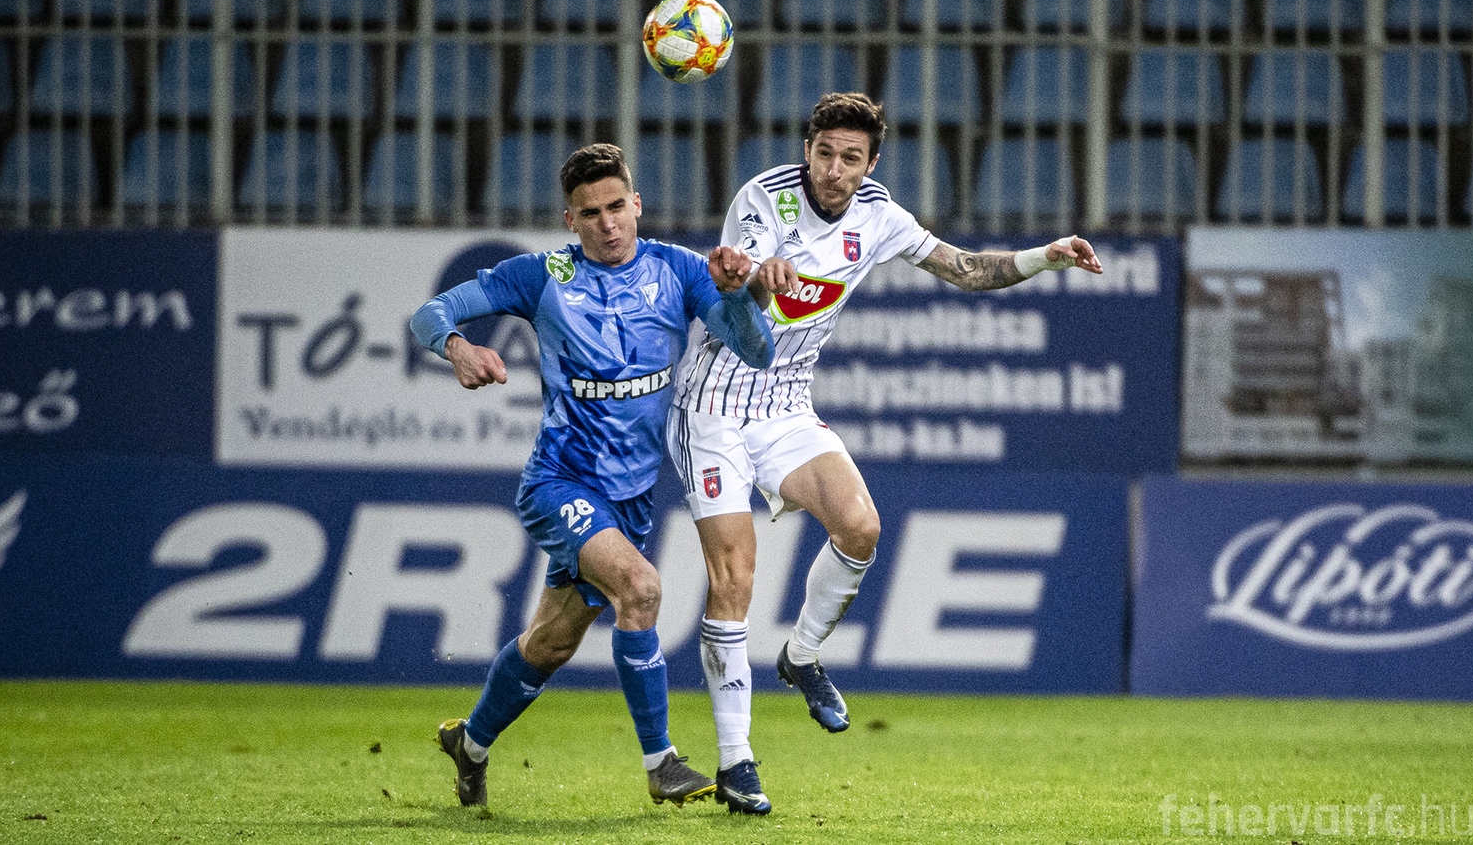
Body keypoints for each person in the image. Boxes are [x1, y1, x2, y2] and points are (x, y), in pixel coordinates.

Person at [669, 93, 1103, 815]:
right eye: (824, 153)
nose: (833, 170)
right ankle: (737, 759)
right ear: (807, 149)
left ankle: (801, 656)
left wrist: (1045, 257)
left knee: (861, 527)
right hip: (713, 402)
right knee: (735, 577)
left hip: (784, 405)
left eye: (851, 158)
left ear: (871, 164)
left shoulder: (879, 216)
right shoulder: (764, 198)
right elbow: (741, 270)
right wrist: (756, 274)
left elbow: (966, 269)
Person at [411, 143, 774, 810]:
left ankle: (471, 744)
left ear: (636, 204)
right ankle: (662, 762)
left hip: (629, 500)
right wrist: (458, 347)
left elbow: (757, 351)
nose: (607, 224)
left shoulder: (678, 270)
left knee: (551, 643)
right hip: (559, 482)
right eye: (590, 213)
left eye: (615, 207)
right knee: (642, 587)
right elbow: (429, 314)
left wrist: (738, 295)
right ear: (570, 220)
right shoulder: (541, 275)